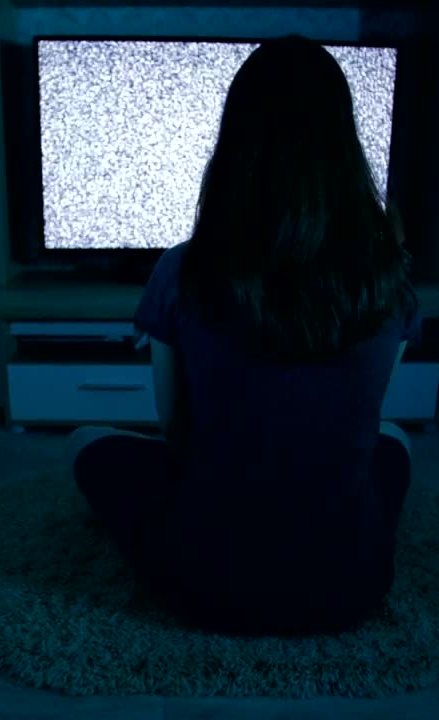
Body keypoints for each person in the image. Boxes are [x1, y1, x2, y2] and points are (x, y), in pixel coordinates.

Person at [66, 34, 420, 637]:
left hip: (204, 588)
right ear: (344, 144)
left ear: (235, 145)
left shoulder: (183, 270)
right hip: (351, 588)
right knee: (394, 439)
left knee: (84, 440)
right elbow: (353, 419)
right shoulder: (389, 277)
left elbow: (177, 433)